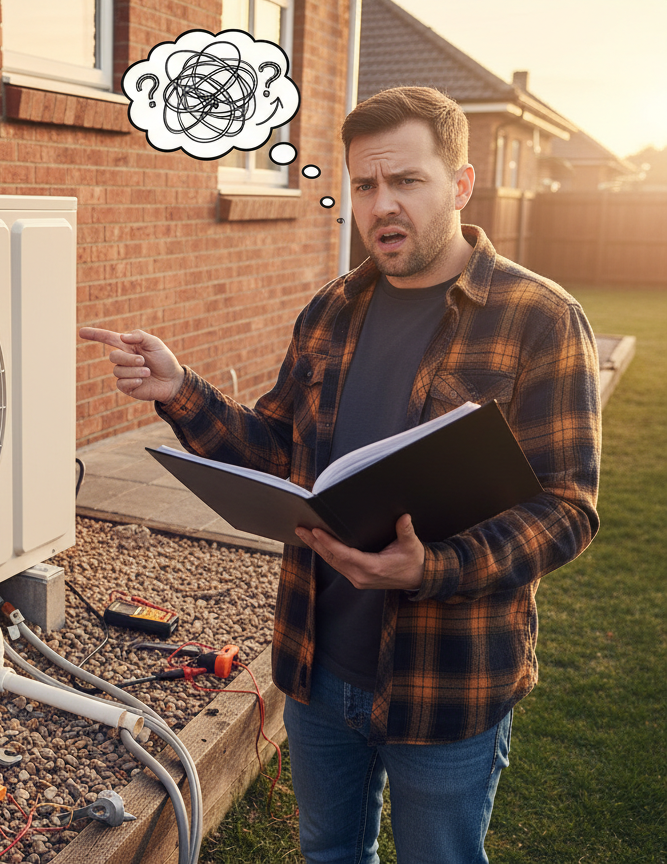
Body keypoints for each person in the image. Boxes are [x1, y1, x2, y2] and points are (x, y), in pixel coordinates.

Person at [80, 86, 600, 863]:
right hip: (317, 669)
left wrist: (437, 565)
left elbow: (567, 507)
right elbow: (277, 452)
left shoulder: (539, 318)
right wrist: (179, 390)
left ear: (460, 185)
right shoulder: (330, 310)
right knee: (329, 853)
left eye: (407, 181)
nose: (382, 204)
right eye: (364, 185)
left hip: (447, 683)